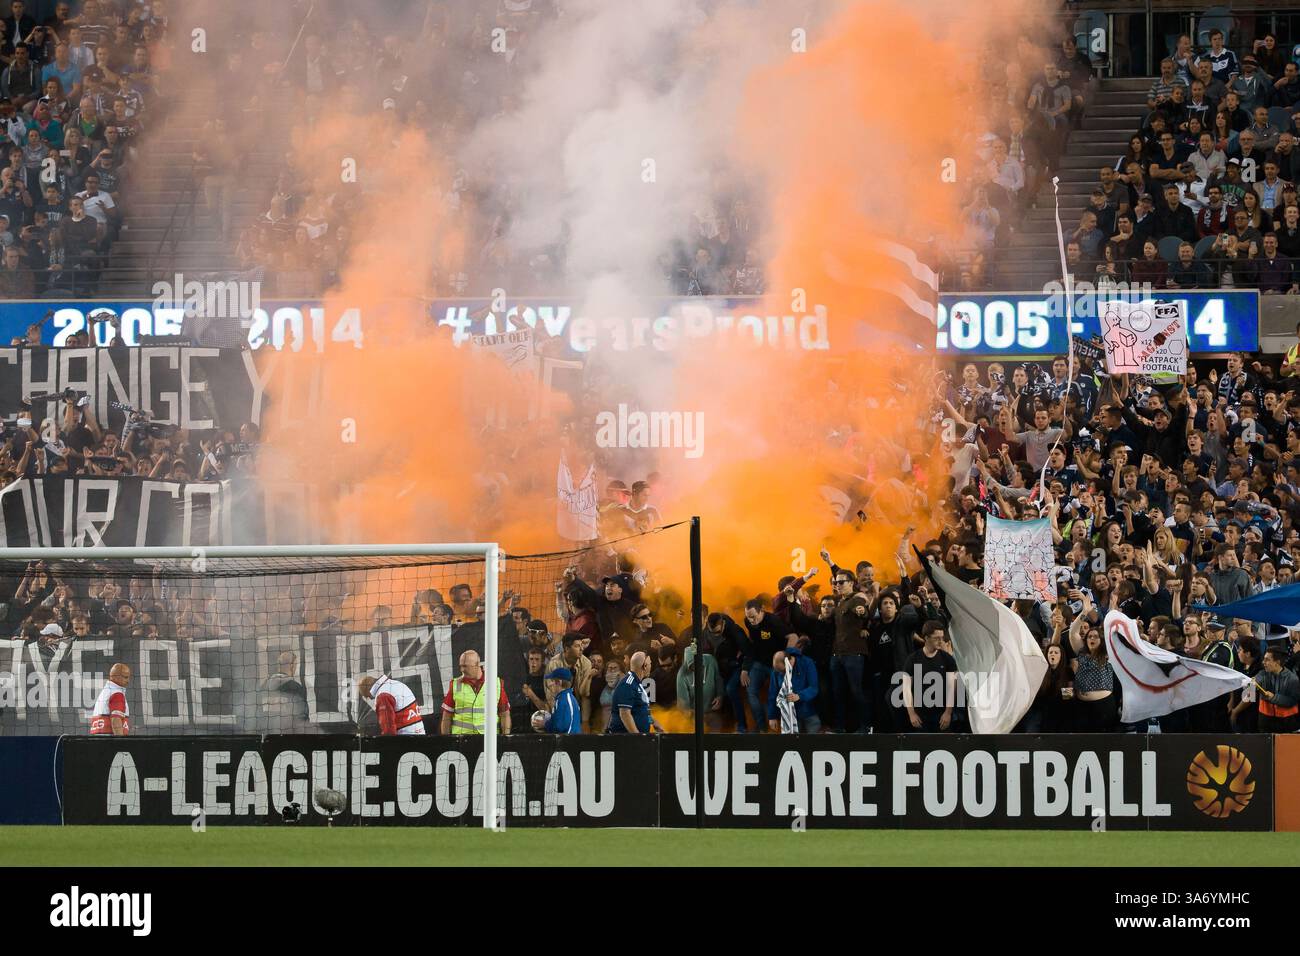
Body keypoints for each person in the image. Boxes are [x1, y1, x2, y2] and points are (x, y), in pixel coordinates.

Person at [901, 621, 957, 732]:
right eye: (937, 638)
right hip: (920, 716)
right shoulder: (912, 659)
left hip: (941, 715)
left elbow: (952, 688)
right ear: (926, 638)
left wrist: (948, 713)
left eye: (942, 637)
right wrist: (911, 714)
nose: (941, 641)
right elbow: (906, 689)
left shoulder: (947, 659)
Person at [440, 649, 510, 736]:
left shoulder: (495, 683)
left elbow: (505, 714)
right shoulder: (455, 684)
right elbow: (446, 717)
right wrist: (446, 740)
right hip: (461, 740)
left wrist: (505, 739)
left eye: (465, 666)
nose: (462, 669)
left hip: (489, 739)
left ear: (477, 665)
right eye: (460, 666)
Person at [767, 643, 820, 734]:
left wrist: (799, 696)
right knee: (792, 741)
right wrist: (772, 716)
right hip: (789, 715)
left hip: (809, 711)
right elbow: (773, 693)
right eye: (779, 671)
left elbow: (814, 688)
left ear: (789, 662)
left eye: (783, 671)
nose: (781, 673)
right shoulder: (777, 670)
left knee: (813, 738)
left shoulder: (807, 663)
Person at [358, 673, 425, 736]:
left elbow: (388, 729)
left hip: (406, 739)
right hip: (421, 734)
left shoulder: (382, 696)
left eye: (367, 696)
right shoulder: (397, 684)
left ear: (368, 690)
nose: (370, 698)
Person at [676, 641, 723, 730]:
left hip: (712, 712)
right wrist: (695, 715)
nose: (696, 668)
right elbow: (683, 706)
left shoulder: (711, 660)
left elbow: (718, 679)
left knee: (716, 731)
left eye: (698, 664)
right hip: (694, 716)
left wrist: (720, 696)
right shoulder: (681, 675)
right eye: (692, 665)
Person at [607, 650, 655, 734]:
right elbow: (624, 714)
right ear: (645, 666)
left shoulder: (638, 684)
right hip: (624, 738)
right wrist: (637, 736)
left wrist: (654, 723)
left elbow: (644, 710)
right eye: (650, 663)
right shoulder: (628, 684)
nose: (651, 666)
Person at [1256, 647, 1300, 733]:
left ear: (1277, 662)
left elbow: (1292, 701)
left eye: (1267, 660)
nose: (1263, 662)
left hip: (1286, 725)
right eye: (1264, 659)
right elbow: (1255, 681)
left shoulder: (1292, 679)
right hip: (1265, 723)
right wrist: (1250, 685)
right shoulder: (1262, 674)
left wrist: (1273, 697)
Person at [534, 667, 581, 734]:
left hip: (568, 740)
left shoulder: (564, 700)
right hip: (570, 739)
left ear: (559, 682)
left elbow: (560, 727)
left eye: (552, 681)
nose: (550, 684)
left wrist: (545, 724)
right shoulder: (565, 697)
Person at [89, 661, 130, 735]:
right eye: (125, 677)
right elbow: (116, 721)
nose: (128, 681)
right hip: (110, 738)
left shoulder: (105, 692)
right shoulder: (117, 694)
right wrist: (121, 740)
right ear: (116, 676)